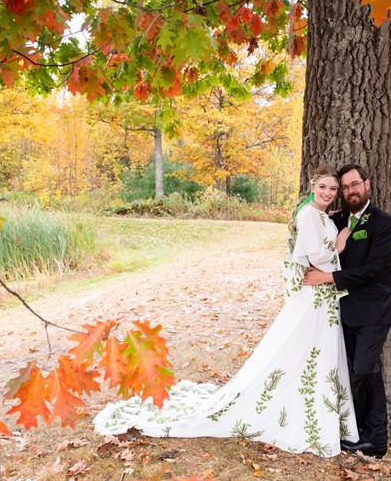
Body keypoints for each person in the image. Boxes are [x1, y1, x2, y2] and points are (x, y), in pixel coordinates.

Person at [94, 166, 358, 458]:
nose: (328, 193)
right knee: (303, 352)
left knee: (312, 354)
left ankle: (314, 412)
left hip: (322, 297)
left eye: (333, 189)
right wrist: (339, 246)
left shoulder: (319, 215)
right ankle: (304, 418)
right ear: (312, 186)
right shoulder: (308, 214)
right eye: (323, 187)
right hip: (313, 295)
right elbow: (315, 258)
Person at [303, 164, 391, 460]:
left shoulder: (384, 223)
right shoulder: (338, 218)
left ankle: (374, 438)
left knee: (364, 370)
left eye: (354, 185)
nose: (349, 191)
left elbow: (374, 268)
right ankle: (364, 435)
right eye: (344, 187)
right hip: (342, 311)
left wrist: (328, 277)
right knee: (362, 372)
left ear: (367, 184)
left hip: (374, 311)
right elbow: (315, 229)